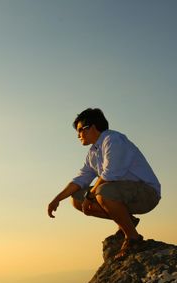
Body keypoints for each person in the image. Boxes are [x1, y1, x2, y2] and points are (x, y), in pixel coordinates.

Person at [47, 108, 161, 259]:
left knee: (103, 192)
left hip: (146, 193)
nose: (78, 135)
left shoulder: (113, 140)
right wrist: (57, 199)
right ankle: (129, 221)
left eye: (81, 130)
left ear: (93, 127)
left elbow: (110, 174)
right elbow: (81, 179)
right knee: (77, 199)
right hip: (122, 193)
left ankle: (133, 238)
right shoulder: (93, 152)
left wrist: (90, 195)